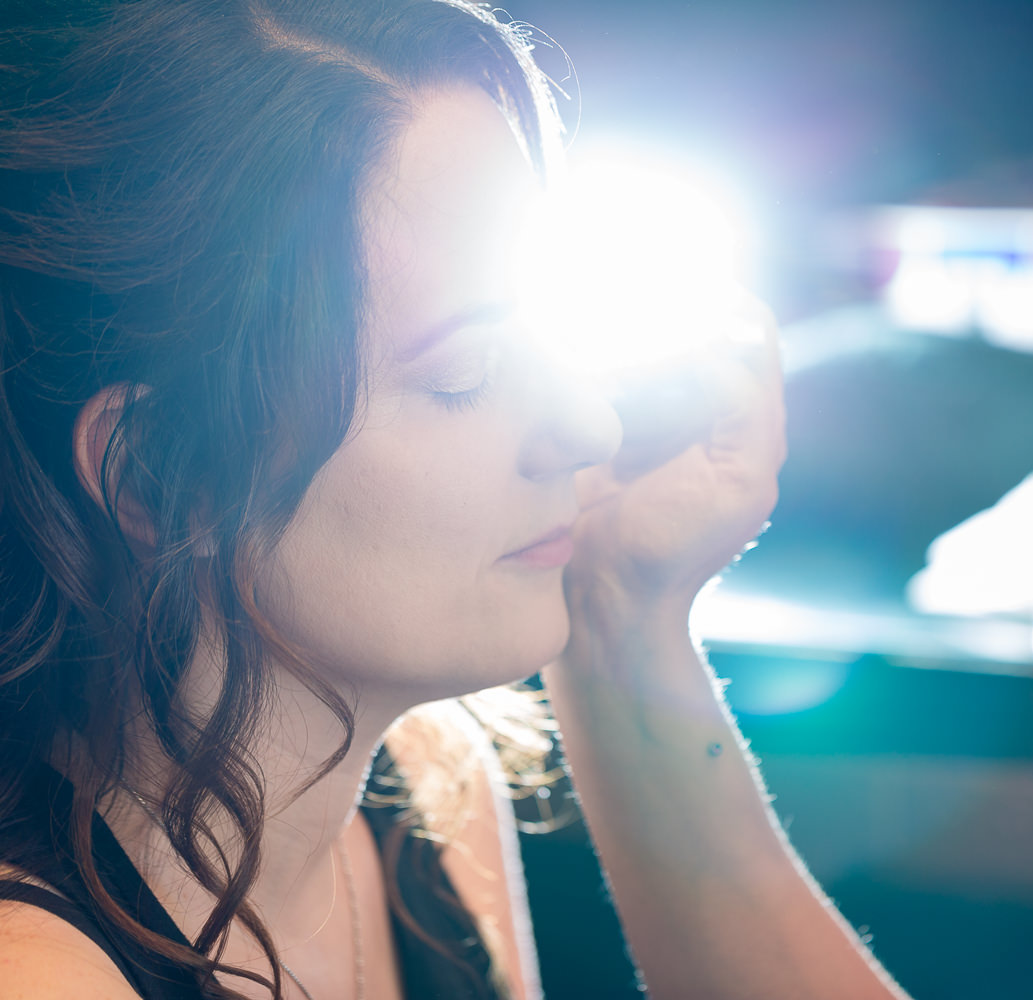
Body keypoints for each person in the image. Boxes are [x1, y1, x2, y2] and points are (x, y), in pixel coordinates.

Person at [0, 1, 897, 997]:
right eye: (465, 370)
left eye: (548, 322)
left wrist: (621, 613)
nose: (590, 427)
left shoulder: (428, 785)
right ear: (159, 476)